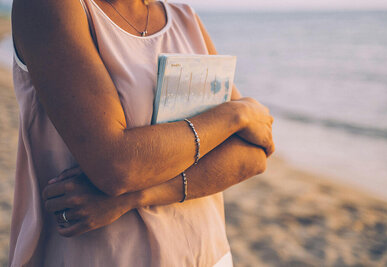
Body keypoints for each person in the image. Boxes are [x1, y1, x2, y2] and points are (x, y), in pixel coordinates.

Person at [9, 0, 274, 266]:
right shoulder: (51, 7)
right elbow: (116, 166)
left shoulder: (184, 18)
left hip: (207, 254)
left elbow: (253, 154)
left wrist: (134, 197)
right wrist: (234, 115)